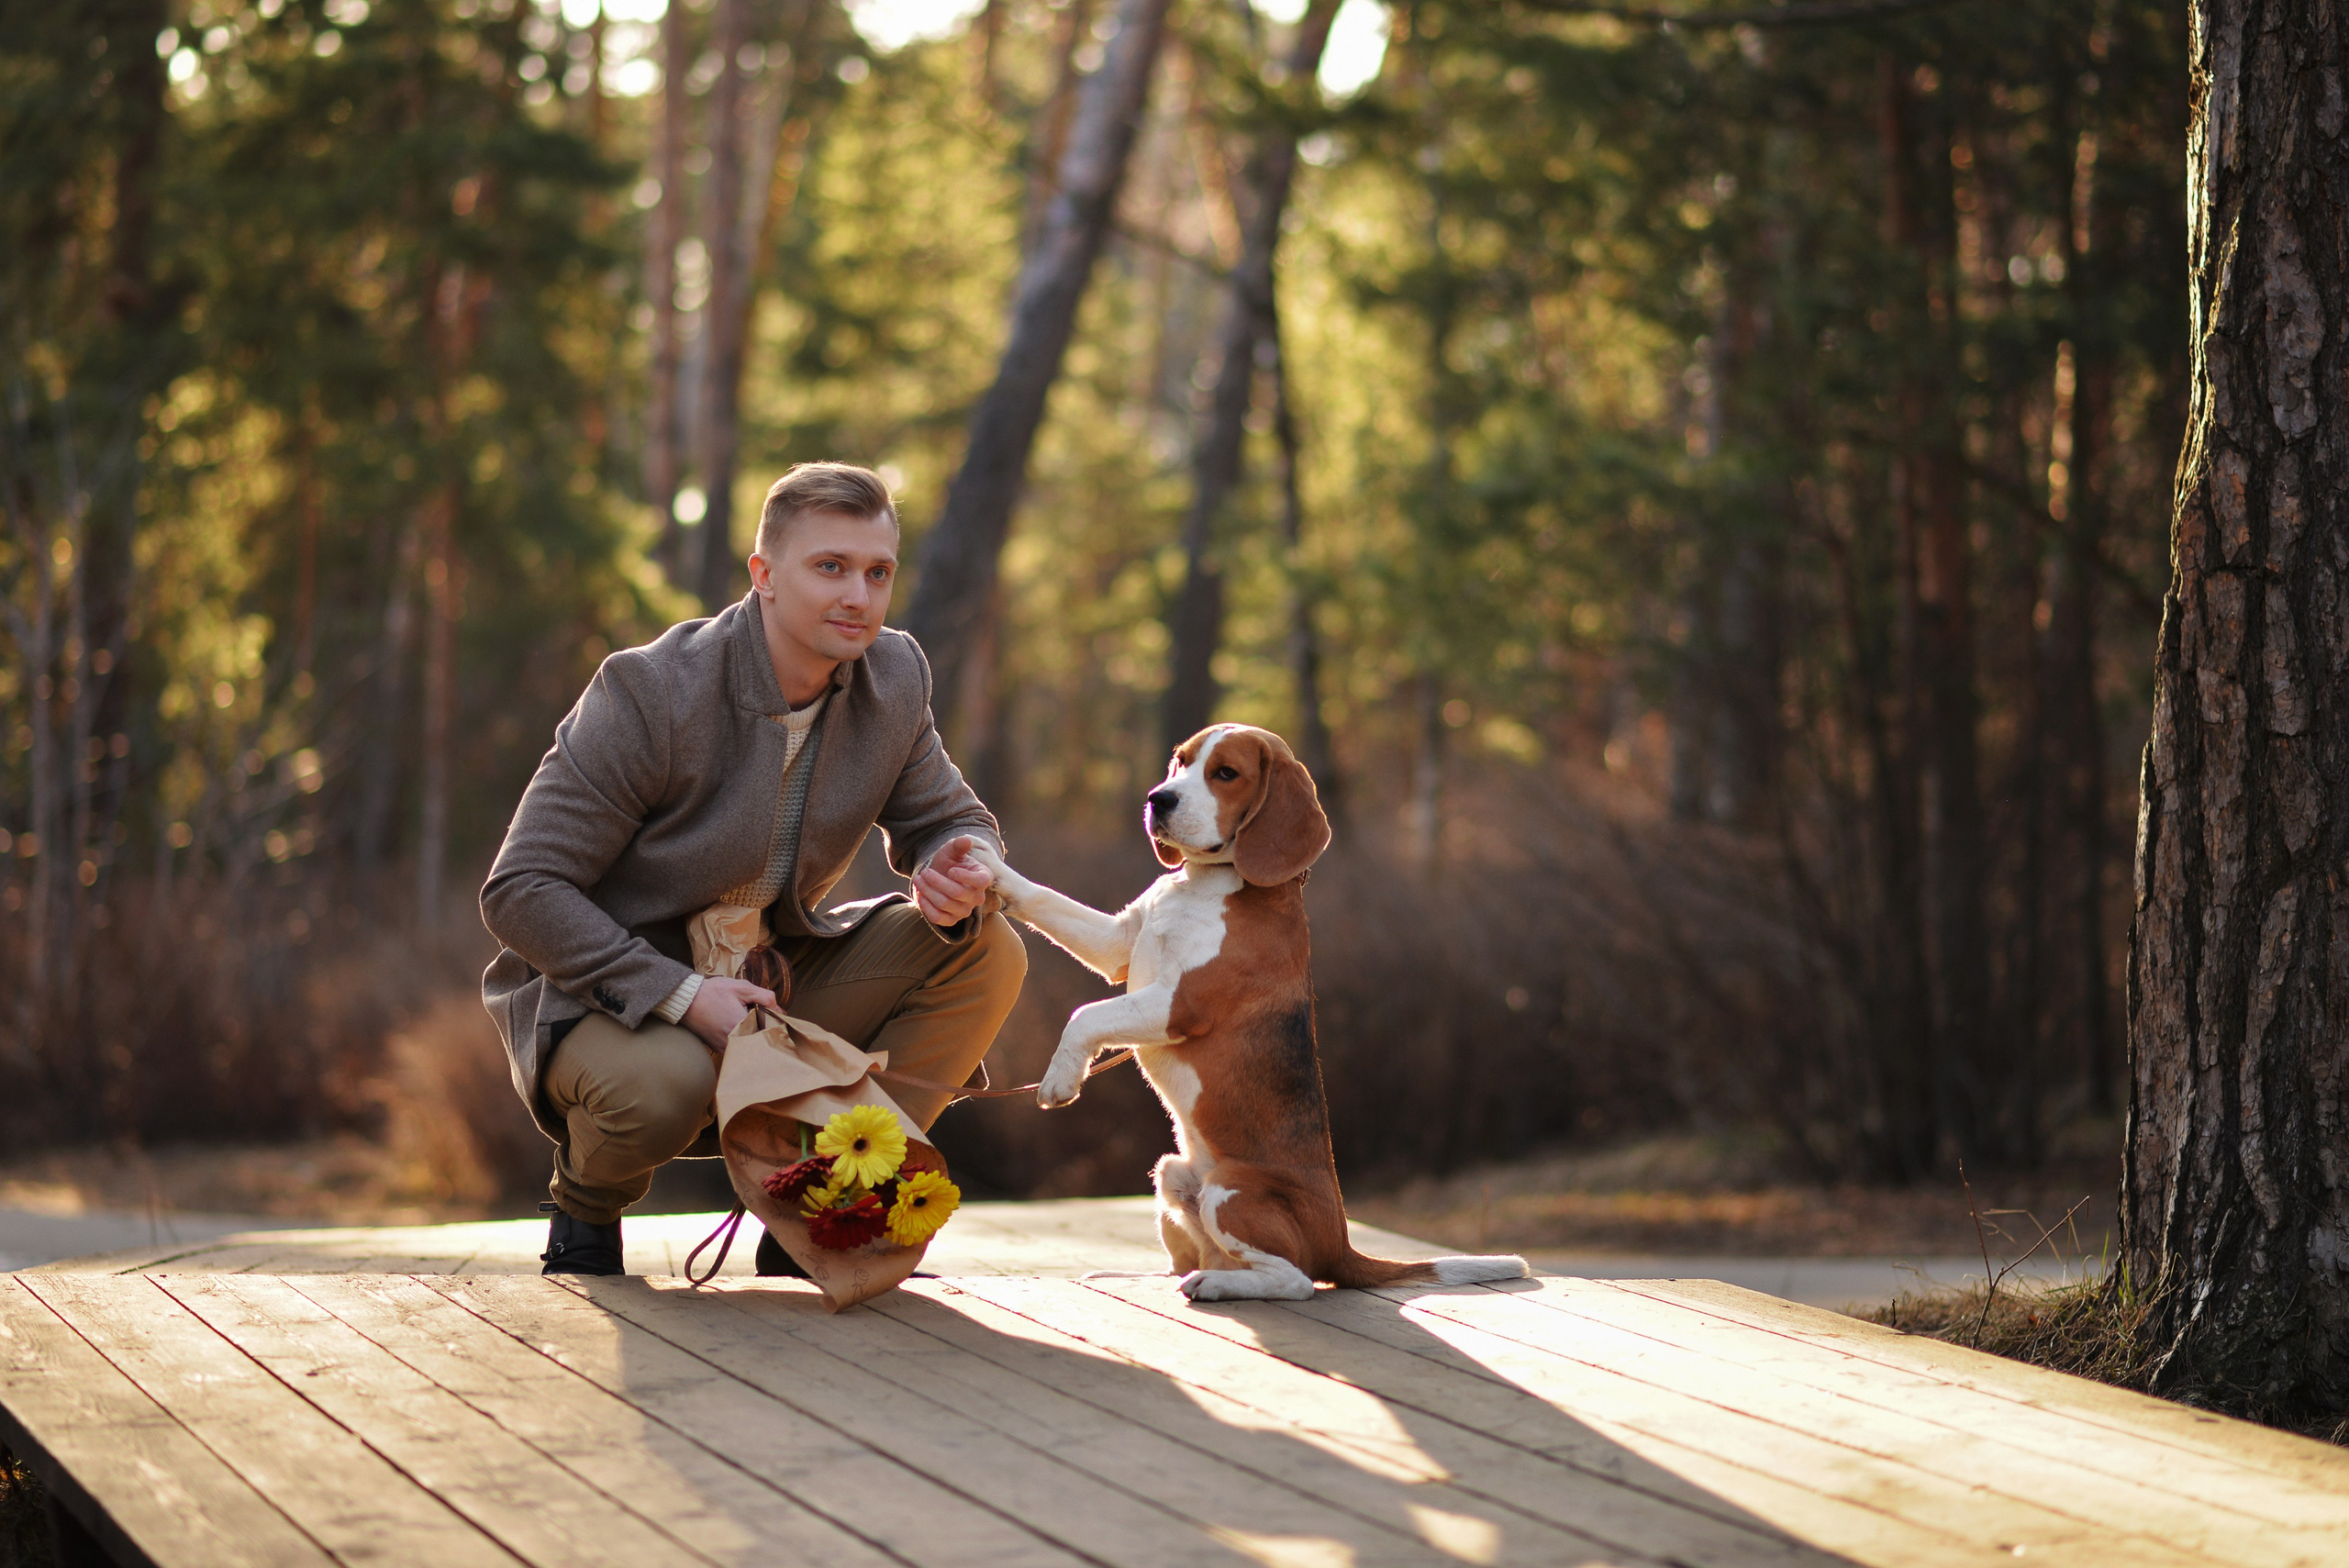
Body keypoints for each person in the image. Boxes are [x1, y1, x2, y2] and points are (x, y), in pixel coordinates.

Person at [479, 462, 1023, 1276]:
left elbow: (952, 817)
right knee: (667, 1082)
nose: (858, 597)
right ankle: (584, 1205)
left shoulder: (896, 676)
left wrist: (962, 866)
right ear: (764, 576)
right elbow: (519, 890)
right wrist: (684, 995)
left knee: (986, 949)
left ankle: (821, 1206)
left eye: (878, 573)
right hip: (612, 993)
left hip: (772, 974)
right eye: (830, 567)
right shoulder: (650, 691)